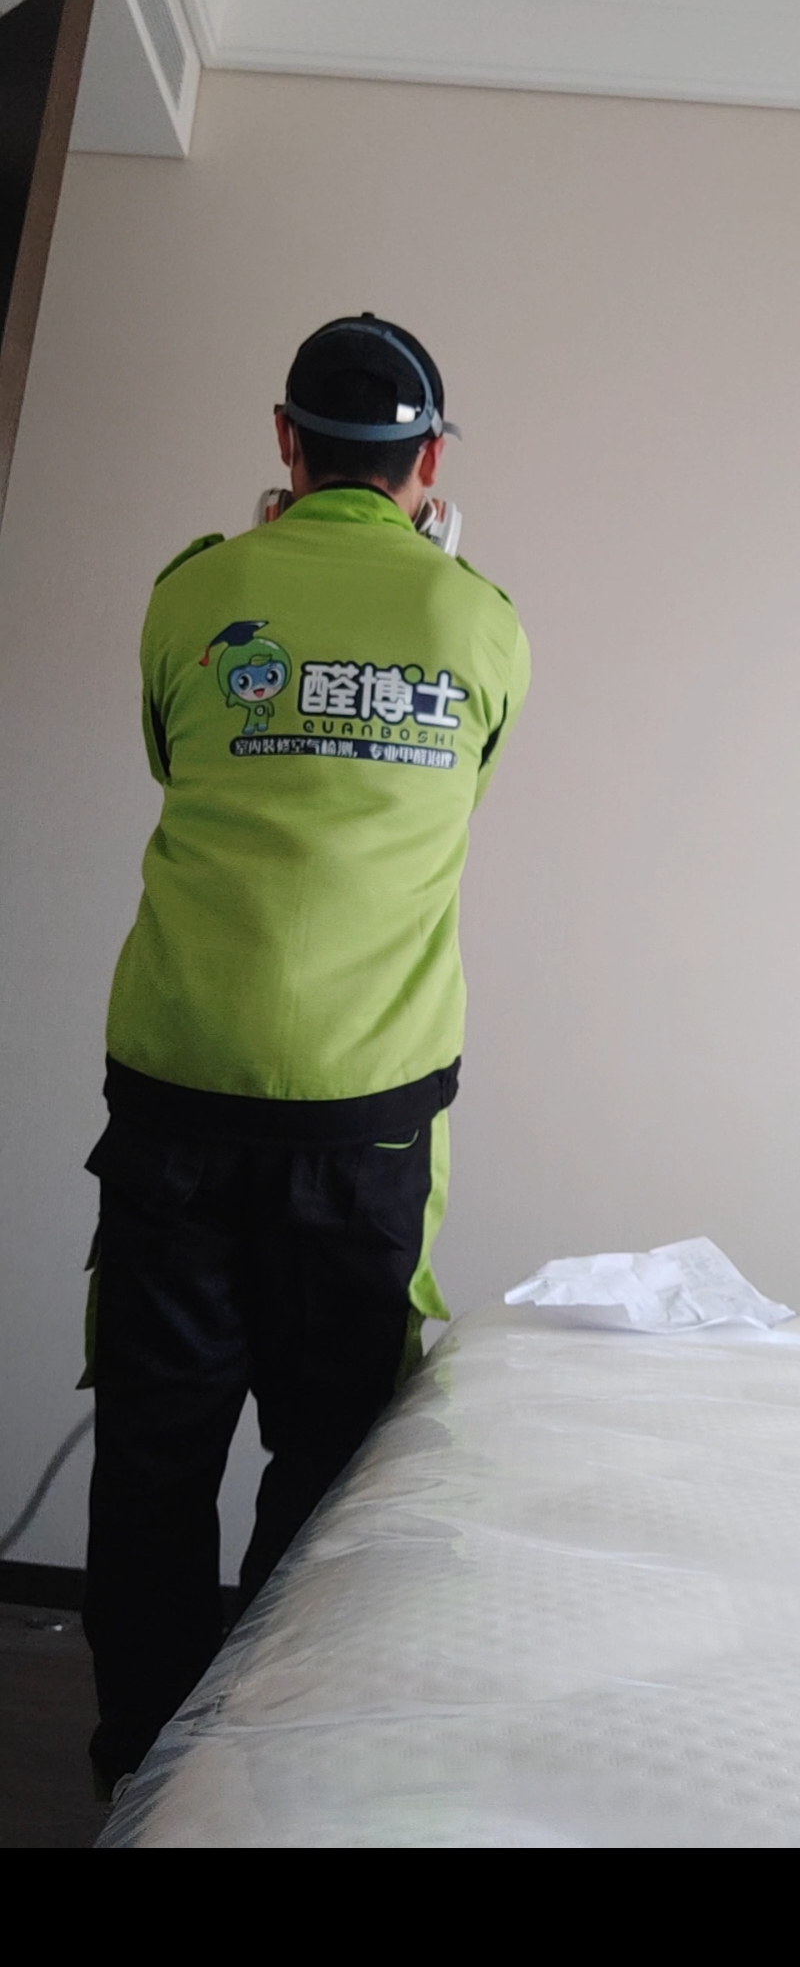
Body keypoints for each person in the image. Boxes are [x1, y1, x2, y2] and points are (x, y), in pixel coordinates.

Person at [81, 314, 530, 1793]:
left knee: (155, 1457)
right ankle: (264, 1783)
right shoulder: (481, 623)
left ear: (287, 439)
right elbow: (468, 782)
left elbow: (171, 754)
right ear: (429, 461)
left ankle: (137, 1776)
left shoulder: (197, 592)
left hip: (174, 1102)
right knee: (332, 1464)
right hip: (366, 1123)